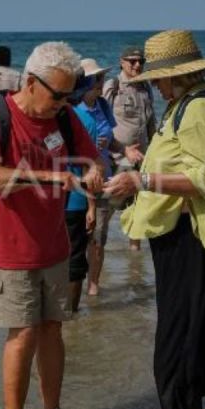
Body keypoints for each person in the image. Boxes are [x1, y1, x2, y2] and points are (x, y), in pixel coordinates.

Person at [104, 30, 205, 409]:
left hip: (190, 237)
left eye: (158, 79)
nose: (154, 86)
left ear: (178, 76)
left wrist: (140, 178)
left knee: (179, 340)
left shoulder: (198, 110)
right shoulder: (183, 106)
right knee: (204, 336)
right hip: (183, 235)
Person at [0, 41, 103, 409]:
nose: (65, 103)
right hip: (9, 248)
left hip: (54, 245)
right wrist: (50, 177)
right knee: (23, 332)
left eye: (69, 96)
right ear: (31, 83)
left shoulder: (64, 119)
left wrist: (96, 170)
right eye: (58, 95)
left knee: (52, 329)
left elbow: (91, 155)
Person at [77, 58, 144, 295]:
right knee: (76, 238)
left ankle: (93, 287)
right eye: (95, 78)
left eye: (102, 77)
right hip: (77, 183)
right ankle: (70, 289)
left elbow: (111, 140)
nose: (100, 81)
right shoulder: (73, 110)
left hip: (103, 180)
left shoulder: (103, 106)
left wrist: (125, 150)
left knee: (98, 236)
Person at [103, 46, 156, 251]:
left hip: (142, 158)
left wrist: (154, 150)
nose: (137, 65)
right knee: (108, 209)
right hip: (118, 159)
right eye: (132, 61)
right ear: (121, 62)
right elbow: (102, 120)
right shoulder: (113, 85)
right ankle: (99, 254)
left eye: (140, 61)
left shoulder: (146, 87)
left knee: (138, 209)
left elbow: (151, 123)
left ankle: (135, 260)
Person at [65, 75, 100, 312]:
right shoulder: (87, 119)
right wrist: (92, 207)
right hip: (76, 201)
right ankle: (70, 312)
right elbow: (90, 166)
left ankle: (56, 313)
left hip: (49, 200)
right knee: (75, 260)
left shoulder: (47, 116)